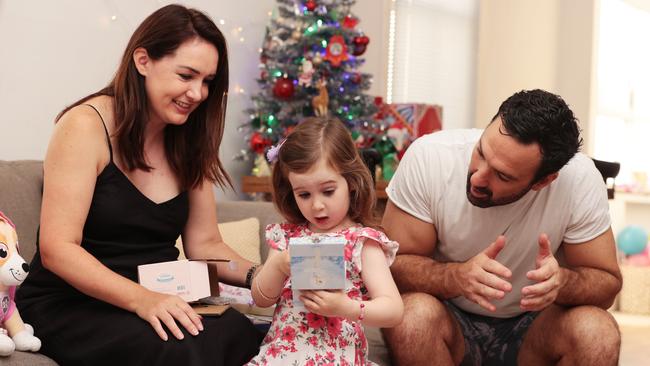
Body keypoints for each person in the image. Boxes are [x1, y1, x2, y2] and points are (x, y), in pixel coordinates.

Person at [16, 5, 263, 365]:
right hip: (73, 304)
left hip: (156, 299)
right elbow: (58, 248)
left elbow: (206, 245)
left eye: (207, 81)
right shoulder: (85, 126)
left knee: (239, 332)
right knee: (176, 349)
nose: (197, 93)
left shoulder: (187, 139)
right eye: (186, 75)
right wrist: (143, 300)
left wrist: (261, 275)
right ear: (143, 60)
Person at [381, 89, 622, 366]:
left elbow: (607, 285)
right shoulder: (430, 157)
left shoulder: (579, 180)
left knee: (598, 332)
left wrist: (562, 283)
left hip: (536, 328)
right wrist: (454, 277)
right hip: (449, 317)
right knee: (412, 317)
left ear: (543, 181)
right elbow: (391, 265)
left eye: (503, 175)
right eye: (481, 152)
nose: (478, 177)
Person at [246, 117, 404, 365]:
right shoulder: (286, 238)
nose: (317, 205)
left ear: (351, 183)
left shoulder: (362, 242)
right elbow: (261, 299)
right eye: (304, 194)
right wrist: (276, 267)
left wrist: (346, 308)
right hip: (283, 354)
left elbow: (394, 310)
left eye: (328, 191)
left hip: (337, 357)